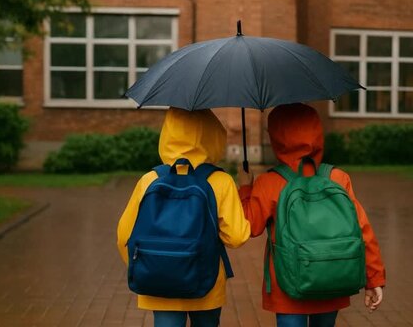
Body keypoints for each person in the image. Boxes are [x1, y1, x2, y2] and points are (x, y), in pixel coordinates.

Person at [238, 103, 386, 327]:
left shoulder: (270, 182)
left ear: (277, 138)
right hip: (332, 278)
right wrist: (374, 278)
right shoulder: (337, 177)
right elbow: (362, 230)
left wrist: (246, 188)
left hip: (287, 285)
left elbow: (250, 226)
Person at [117, 107, 251, 327]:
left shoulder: (149, 180)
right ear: (213, 133)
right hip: (206, 282)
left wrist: (150, 265)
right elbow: (236, 237)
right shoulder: (220, 181)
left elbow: (124, 235)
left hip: (158, 283)